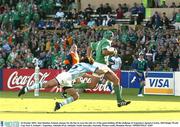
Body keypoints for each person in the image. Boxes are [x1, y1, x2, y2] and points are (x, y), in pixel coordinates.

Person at [18, 56, 108, 111]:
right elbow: (98, 71)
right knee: (47, 85)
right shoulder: (87, 65)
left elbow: (84, 74)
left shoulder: (80, 65)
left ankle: (59, 104)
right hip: (66, 77)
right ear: (89, 63)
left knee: (76, 96)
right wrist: (106, 69)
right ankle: (26, 88)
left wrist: (94, 78)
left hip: (67, 79)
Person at [87, 30, 131, 107]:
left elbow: (89, 47)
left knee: (115, 80)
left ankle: (120, 101)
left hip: (100, 65)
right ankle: (71, 87)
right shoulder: (107, 42)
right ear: (109, 36)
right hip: (101, 65)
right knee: (92, 85)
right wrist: (113, 52)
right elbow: (104, 52)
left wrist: (89, 58)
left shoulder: (99, 42)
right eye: (111, 36)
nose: (112, 38)